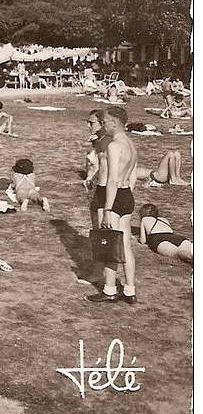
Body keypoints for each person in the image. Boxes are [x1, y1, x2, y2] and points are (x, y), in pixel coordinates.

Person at [87, 106, 139, 305]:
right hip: (126, 195)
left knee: (110, 244)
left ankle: (109, 290)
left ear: (115, 123)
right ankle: (130, 290)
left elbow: (112, 180)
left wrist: (108, 209)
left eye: (106, 121)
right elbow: (131, 174)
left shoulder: (114, 146)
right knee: (125, 244)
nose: (104, 124)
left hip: (114, 198)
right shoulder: (131, 144)